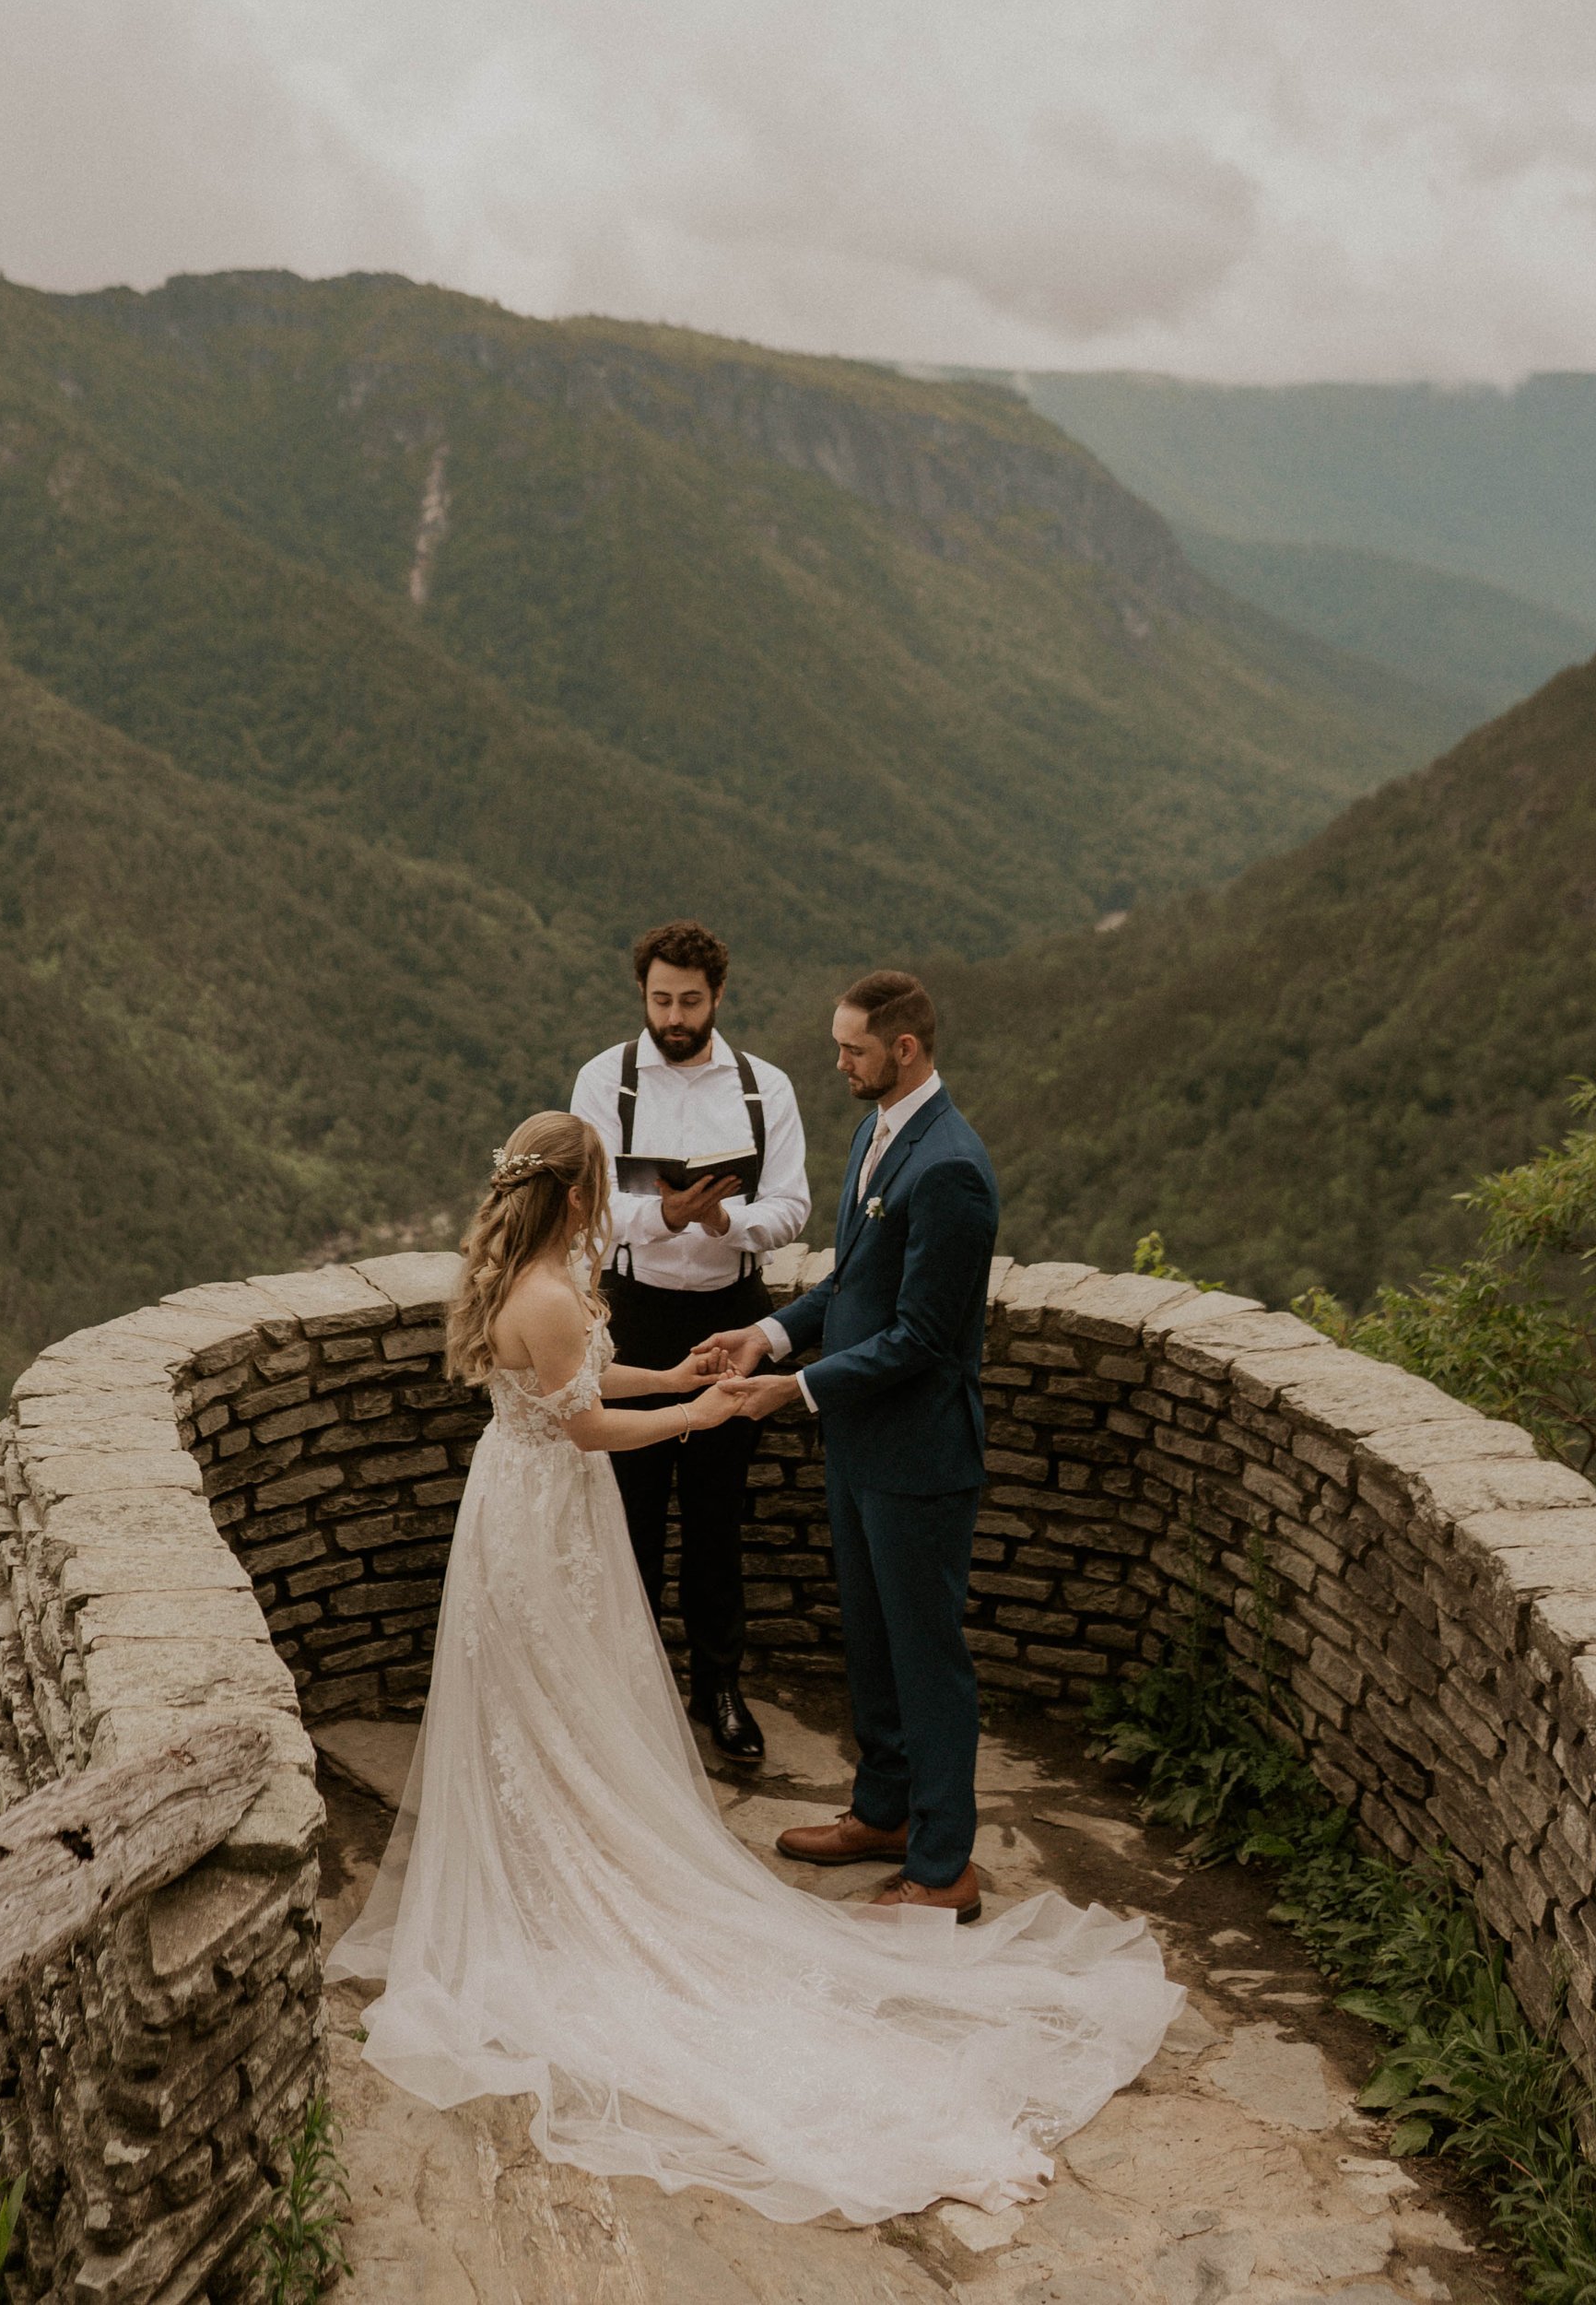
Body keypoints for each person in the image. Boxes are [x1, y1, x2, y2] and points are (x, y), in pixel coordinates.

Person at [329, 1111, 1176, 2225]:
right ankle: (572, 1879)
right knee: (557, 1698)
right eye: (600, 1186)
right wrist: (697, 1410)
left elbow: (580, 1381)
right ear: (577, 1197)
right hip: (548, 1510)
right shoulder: (546, 1293)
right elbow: (585, 1427)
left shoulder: (518, 1280)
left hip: (518, 1508)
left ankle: (556, 1860)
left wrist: (671, 1370)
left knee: (549, 1703)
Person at [710, 969, 1000, 1921]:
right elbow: (849, 1286)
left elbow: (922, 1337)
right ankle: (882, 1813)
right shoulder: (877, 1134)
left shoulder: (949, 1166)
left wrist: (791, 1391)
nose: (838, 1063)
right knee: (872, 1646)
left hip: (918, 1458)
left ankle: (944, 1865)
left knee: (926, 1660)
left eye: (853, 1050)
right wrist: (768, 1335)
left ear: (904, 1050)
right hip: (860, 1446)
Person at [569, 921, 808, 1764]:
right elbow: (587, 1204)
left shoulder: (764, 1088)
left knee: (716, 1511)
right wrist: (664, 1215)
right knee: (628, 1510)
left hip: (731, 1311)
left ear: (718, 996)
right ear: (642, 992)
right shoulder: (604, 1080)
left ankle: (719, 1687)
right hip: (633, 1312)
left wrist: (726, 1222)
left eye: (691, 1001)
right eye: (662, 999)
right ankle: (633, 1691)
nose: (674, 1017)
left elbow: (792, 1205)